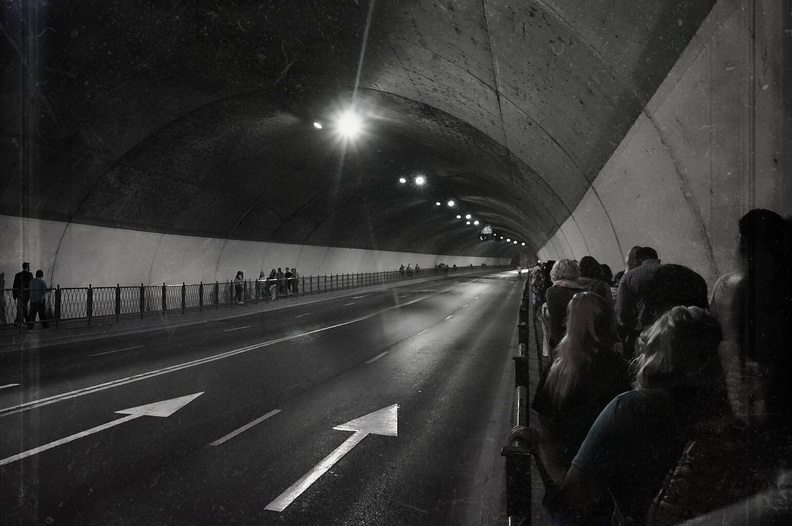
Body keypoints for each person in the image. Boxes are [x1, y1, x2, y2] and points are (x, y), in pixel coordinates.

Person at [512, 306, 731, 526]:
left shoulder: (631, 408)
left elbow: (572, 498)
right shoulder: (727, 409)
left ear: (654, 351)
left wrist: (539, 447)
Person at [531, 292, 631, 475]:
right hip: (599, 465)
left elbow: (543, 413)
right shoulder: (616, 367)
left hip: (564, 459)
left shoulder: (557, 368)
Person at [544, 259, 585, 352]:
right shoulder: (582, 293)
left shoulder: (552, 292)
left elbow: (554, 317)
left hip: (558, 339)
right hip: (579, 339)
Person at [12, 262, 33, 327]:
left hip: (19, 294)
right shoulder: (30, 274)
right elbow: (31, 284)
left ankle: (18, 321)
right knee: (24, 307)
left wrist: (14, 294)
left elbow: (14, 285)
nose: (30, 268)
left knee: (22, 307)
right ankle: (27, 322)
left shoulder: (17, 275)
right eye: (29, 266)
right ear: (27, 267)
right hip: (26, 294)